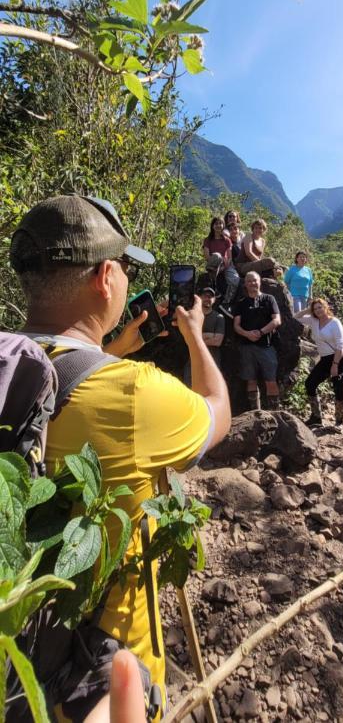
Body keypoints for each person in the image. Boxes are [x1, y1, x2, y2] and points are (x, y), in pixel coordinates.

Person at [10, 194, 231, 721]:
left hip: (17, 672)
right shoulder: (136, 392)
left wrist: (109, 350)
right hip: (101, 690)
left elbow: (54, 387)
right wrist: (196, 338)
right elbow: (218, 413)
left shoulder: (8, 366)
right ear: (106, 276)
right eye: (127, 267)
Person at [295, 298, 343, 428]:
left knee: (338, 386)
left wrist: (335, 365)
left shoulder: (335, 322)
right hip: (324, 358)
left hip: (339, 358)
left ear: (326, 307)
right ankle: (316, 417)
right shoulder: (313, 320)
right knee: (310, 383)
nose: (318, 310)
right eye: (315, 308)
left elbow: (340, 346)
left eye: (320, 307)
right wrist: (308, 309)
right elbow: (295, 317)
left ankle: (339, 422)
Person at [234, 271, 281, 410]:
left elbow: (277, 320)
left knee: (271, 380)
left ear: (259, 281)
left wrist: (261, 332)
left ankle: (275, 413)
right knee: (251, 380)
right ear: (245, 284)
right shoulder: (241, 303)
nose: (252, 283)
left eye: (254, 280)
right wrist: (247, 334)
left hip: (266, 346)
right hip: (246, 346)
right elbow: (236, 325)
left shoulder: (269, 299)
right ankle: (256, 413)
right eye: (249, 281)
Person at [184, 286, 225, 383]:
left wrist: (197, 337)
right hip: (193, 360)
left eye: (210, 297)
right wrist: (209, 336)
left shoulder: (219, 317)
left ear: (214, 300)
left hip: (212, 362)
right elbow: (188, 337)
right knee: (190, 389)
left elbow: (217, 341)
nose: (208, 299)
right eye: (205, 296)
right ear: (200, 298)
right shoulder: (193, 316)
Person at [202, 216, 239, 315]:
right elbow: (207, 256)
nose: (218, 225)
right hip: (213, 262)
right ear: (212, 226)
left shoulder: (227, 240)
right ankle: (214, 284)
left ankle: (226, 302)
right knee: (217, 256)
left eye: (220, 223)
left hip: (225, 264)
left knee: (235, 279)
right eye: (216, 223)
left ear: (223, 225)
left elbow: (229, 257)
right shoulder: (208, 240)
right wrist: (218, 264)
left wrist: (224, 266)